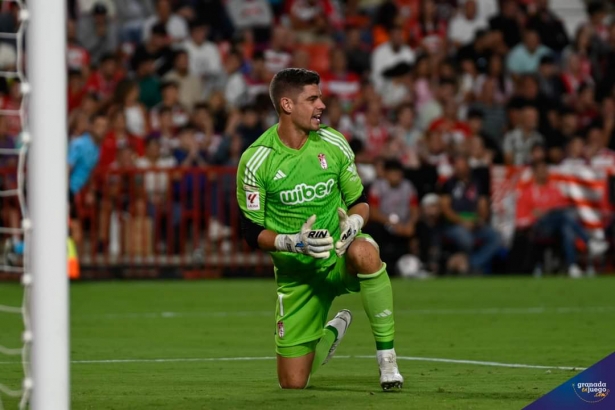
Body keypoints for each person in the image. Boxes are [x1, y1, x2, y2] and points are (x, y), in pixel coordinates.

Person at [236, 68, 403, 390]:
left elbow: (360, 200)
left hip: (338, 256)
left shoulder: (333, 142)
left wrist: (355, 223)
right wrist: (292, 242)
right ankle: (331, 331)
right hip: (297, 275)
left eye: (320, 97)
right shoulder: (257, 159)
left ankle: (388, 361)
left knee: (366, 251)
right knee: (293, 384)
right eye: (312, 98)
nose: (322, 105)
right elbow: (250, 230)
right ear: (286, 105)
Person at [516, 160, 608, 277]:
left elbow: (563, 208)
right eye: (541, 170)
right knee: (564, 218)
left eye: (545, 170)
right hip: (538, 228)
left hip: (556, 226)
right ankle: (589, 242)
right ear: (534, 173)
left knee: (566, 226)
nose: (544, 173)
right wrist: (533, 216)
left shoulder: (554, 190)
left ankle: (572, 267)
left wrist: (545, 211)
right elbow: (520, 221)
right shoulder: (527, 193)